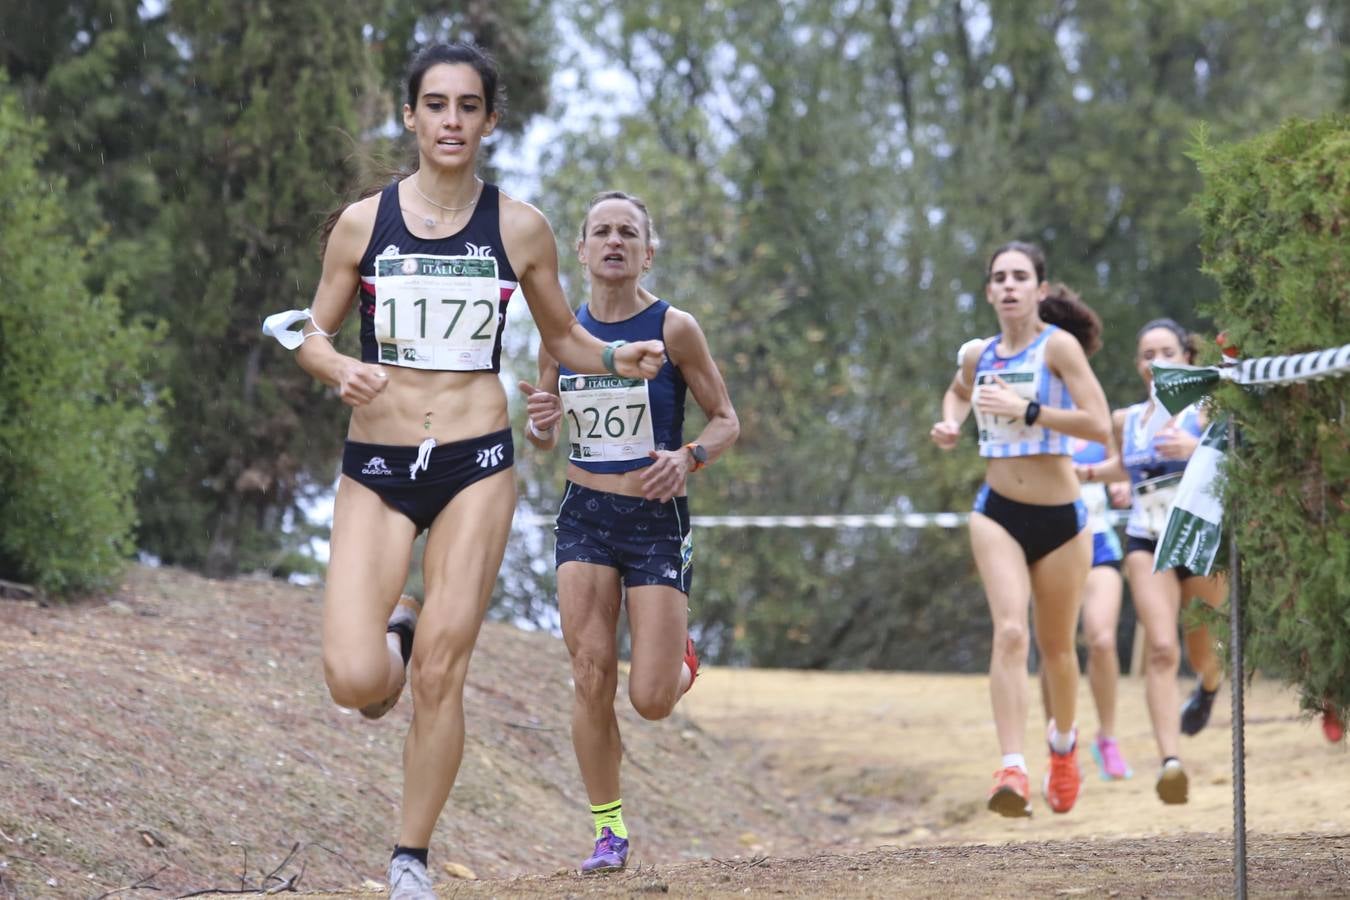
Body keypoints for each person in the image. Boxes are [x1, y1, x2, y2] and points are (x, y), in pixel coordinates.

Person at [265, 44, 665, 900]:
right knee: (356, 680)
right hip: (376, 461)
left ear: (490, 120)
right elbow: (309, 330)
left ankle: (409, 860)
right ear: (410, 117)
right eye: (436, 105)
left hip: (476, 461)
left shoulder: (520, 227)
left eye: (469, 106)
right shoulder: (363, 224)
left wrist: (617, 354)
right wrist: (337, 370)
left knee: (445, 674)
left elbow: (563, 337)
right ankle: (395, 634)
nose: (452, 121)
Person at [518, 190, 739, 873]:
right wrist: (540, 423)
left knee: (649, 700)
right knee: (589, 676)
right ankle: (608, 832)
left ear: (648, 250)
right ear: (580, 251)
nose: (615, 242)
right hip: (584, 517)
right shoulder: (560, 331)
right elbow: (543, 431)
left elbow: (726, 419)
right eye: (601, 232)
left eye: (628, 233)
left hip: (654, 522)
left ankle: (681, 659)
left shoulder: (675, 329)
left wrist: (689, 456)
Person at [931, 244, 1112, 818]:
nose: (1009, 286)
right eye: (999, 278)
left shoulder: (1057, 347)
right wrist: (951, 423)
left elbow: (1100, 426)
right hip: (997, 511)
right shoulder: (978, 354)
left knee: (1057, 648)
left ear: (1040, 289)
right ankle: (1012, 764)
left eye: (1021, 277)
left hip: (1061, 519)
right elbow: (958, 391)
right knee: (1010, 633)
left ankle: (1063, 747)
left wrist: (1027, 411)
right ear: (989, 292)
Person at [1079, 318, 1226, 805]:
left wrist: (1196, 449)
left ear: (1187, 356)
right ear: (1138, 364)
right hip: (1148, 540)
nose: (1155, 361)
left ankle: (1207, 686)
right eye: (1147, 354)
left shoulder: (1207, 409)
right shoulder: (1128, 420)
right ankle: (1171, 762)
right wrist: (1088, 472)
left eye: (1166, 351)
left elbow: (1237, 457)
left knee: (1203, 651)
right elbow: (1126, 465)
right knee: (1162, 648)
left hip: (1199, 539)